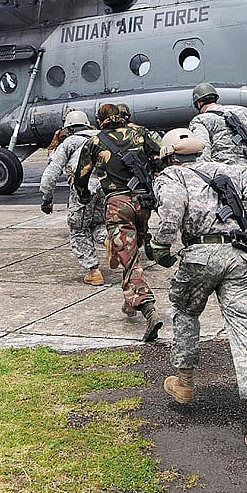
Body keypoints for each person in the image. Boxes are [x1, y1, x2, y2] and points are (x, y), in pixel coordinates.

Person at [150, 128, 247, 449]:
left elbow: (171, 207)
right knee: (245, 327)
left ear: (169, 156)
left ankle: (184, 383)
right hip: (239, 256)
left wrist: (161, 243)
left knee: (185, 312)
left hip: (199, 256)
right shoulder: (229, 170)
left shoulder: (171, 175)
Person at [73, 103, 163, 342]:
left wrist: (83, 197)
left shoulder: (94, 142)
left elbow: (81, 177)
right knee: (134, 249)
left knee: (130, 257)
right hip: (144, 203)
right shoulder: (142, 133)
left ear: (99, 120)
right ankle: (129, 300)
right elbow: (161, 158)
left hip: (117, 205)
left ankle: (147, 308)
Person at [39, 110, 107, 286]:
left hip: (83, 189)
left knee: (78, 228)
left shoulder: (70, 141)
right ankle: (109, 241)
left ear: (68, 128)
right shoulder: (103, 137)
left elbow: (52, 171)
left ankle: (94, 271)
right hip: (106, 189)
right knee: (98, 224)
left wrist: (47, 198)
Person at [188, 82, 247, 178]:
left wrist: (204, 176)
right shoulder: (242, 110)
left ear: (199, 103)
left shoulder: (200, 120)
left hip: (226, 174)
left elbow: (202, 149)